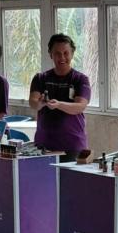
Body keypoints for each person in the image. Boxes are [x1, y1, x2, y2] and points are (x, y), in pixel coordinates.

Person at [28, 34, 91, 162]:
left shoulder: (80, 79)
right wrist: (41, 103)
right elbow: (33, 102)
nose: (62, 57)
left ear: (72, 54)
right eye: (57, 53)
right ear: (50, 54)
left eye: (66, 53)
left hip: (72, 146)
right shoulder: (40, 78)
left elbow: (80, 106)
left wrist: (58, 105)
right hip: (44, 145)